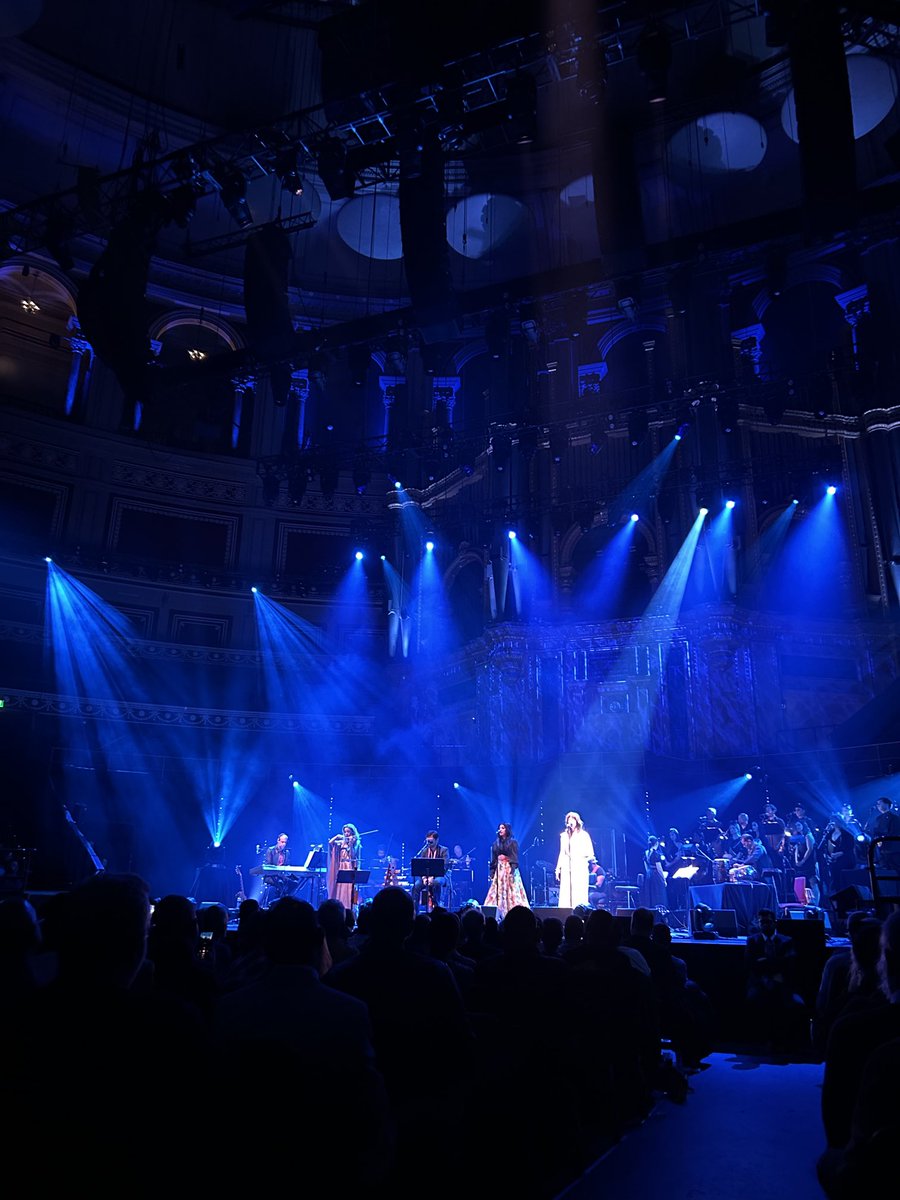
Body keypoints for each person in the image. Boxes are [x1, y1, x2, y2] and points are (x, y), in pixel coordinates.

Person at [485, 822, 529, 919]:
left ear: (507, 830)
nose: (500, 830)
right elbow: (493, 859)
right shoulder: (495, 843)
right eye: (499, 828)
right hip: (499, 871)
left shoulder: (513, 842)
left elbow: (515, 857)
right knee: (498, 891)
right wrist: (492, 872)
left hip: (509, 868)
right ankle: (499, 913)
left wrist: (511, 869)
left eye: (503, 828)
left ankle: (513, 912)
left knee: (512, 891)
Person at [555, 811, 597, 910]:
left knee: (579, 891)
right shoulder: (564, 836)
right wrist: (558, 868)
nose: (571, 821)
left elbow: (590, 852)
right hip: (566, 867)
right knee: (567, 891)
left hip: (580, 866)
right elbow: (562, 852)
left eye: (573, 819)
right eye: (569, 819)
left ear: (577, 821)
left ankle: (580, 912)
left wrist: (591, 862)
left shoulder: (584, 835)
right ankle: (565, 913)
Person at [327, 822, 362, 914]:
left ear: (352, 833)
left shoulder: (356, 843)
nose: (346, 834)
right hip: (342, 867)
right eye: (345, 832)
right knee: (340, 889)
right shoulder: (341, 842)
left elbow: (353, 856)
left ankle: (349, 911)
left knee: (349, 889)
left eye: (348, 832)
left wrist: (350, 844)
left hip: (350, 867)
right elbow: (330, 843)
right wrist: (337, 836)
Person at [412, 829, 449, 911]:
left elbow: (445, 867)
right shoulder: (424, 851)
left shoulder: (444, 850)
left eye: (431, 842)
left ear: (437, 840)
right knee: (416, 886)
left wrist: (433, 877)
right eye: (427, 841)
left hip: (440, 876)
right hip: (426, 877)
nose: (428, 844)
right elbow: (421, 867)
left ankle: (437, 907)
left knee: (437, 882)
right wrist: (424, 878)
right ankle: (415, 911)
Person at [641, 835, 668, 910]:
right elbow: (659, 868)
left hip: (649, 874)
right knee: (658, 895)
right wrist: (664, 880)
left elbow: (646, 865)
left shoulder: (646, 853)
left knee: (650, 894)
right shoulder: (656, 854)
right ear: (656, 843)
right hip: (656, 875)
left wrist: (649, 873)